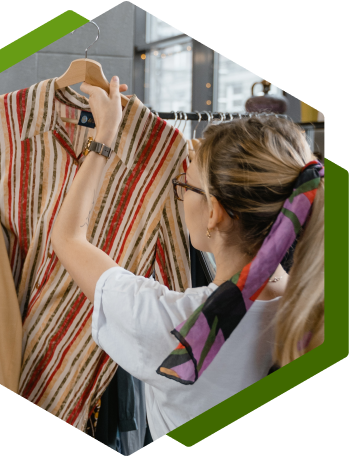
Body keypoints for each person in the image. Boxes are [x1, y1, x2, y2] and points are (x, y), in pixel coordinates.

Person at [51, 76, 324, 440]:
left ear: (214, 213)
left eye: (186, 185)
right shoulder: (319, 310)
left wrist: (104, 136)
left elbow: (68, 238)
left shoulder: (178, 328)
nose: (181, 194)